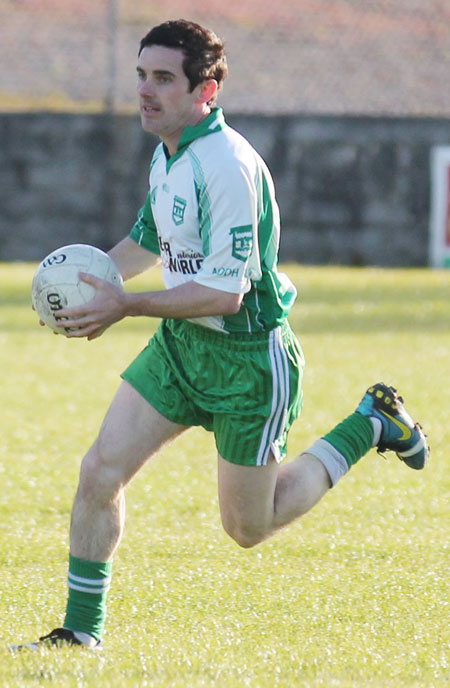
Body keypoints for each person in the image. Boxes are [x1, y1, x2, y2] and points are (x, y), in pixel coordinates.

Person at [11, 19, 429, 651]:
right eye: (141, 77)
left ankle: (371, 422)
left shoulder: (227, 166)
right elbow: (144, 243)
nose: (146, 92)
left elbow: (225, 293)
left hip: (247, 359)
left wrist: (126, 307)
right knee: (99, 471)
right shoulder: (168, 153)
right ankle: (80, 635)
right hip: (183, 349)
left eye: (163, 79)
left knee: (247, 527)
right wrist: (87, 286)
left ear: (205, 90)